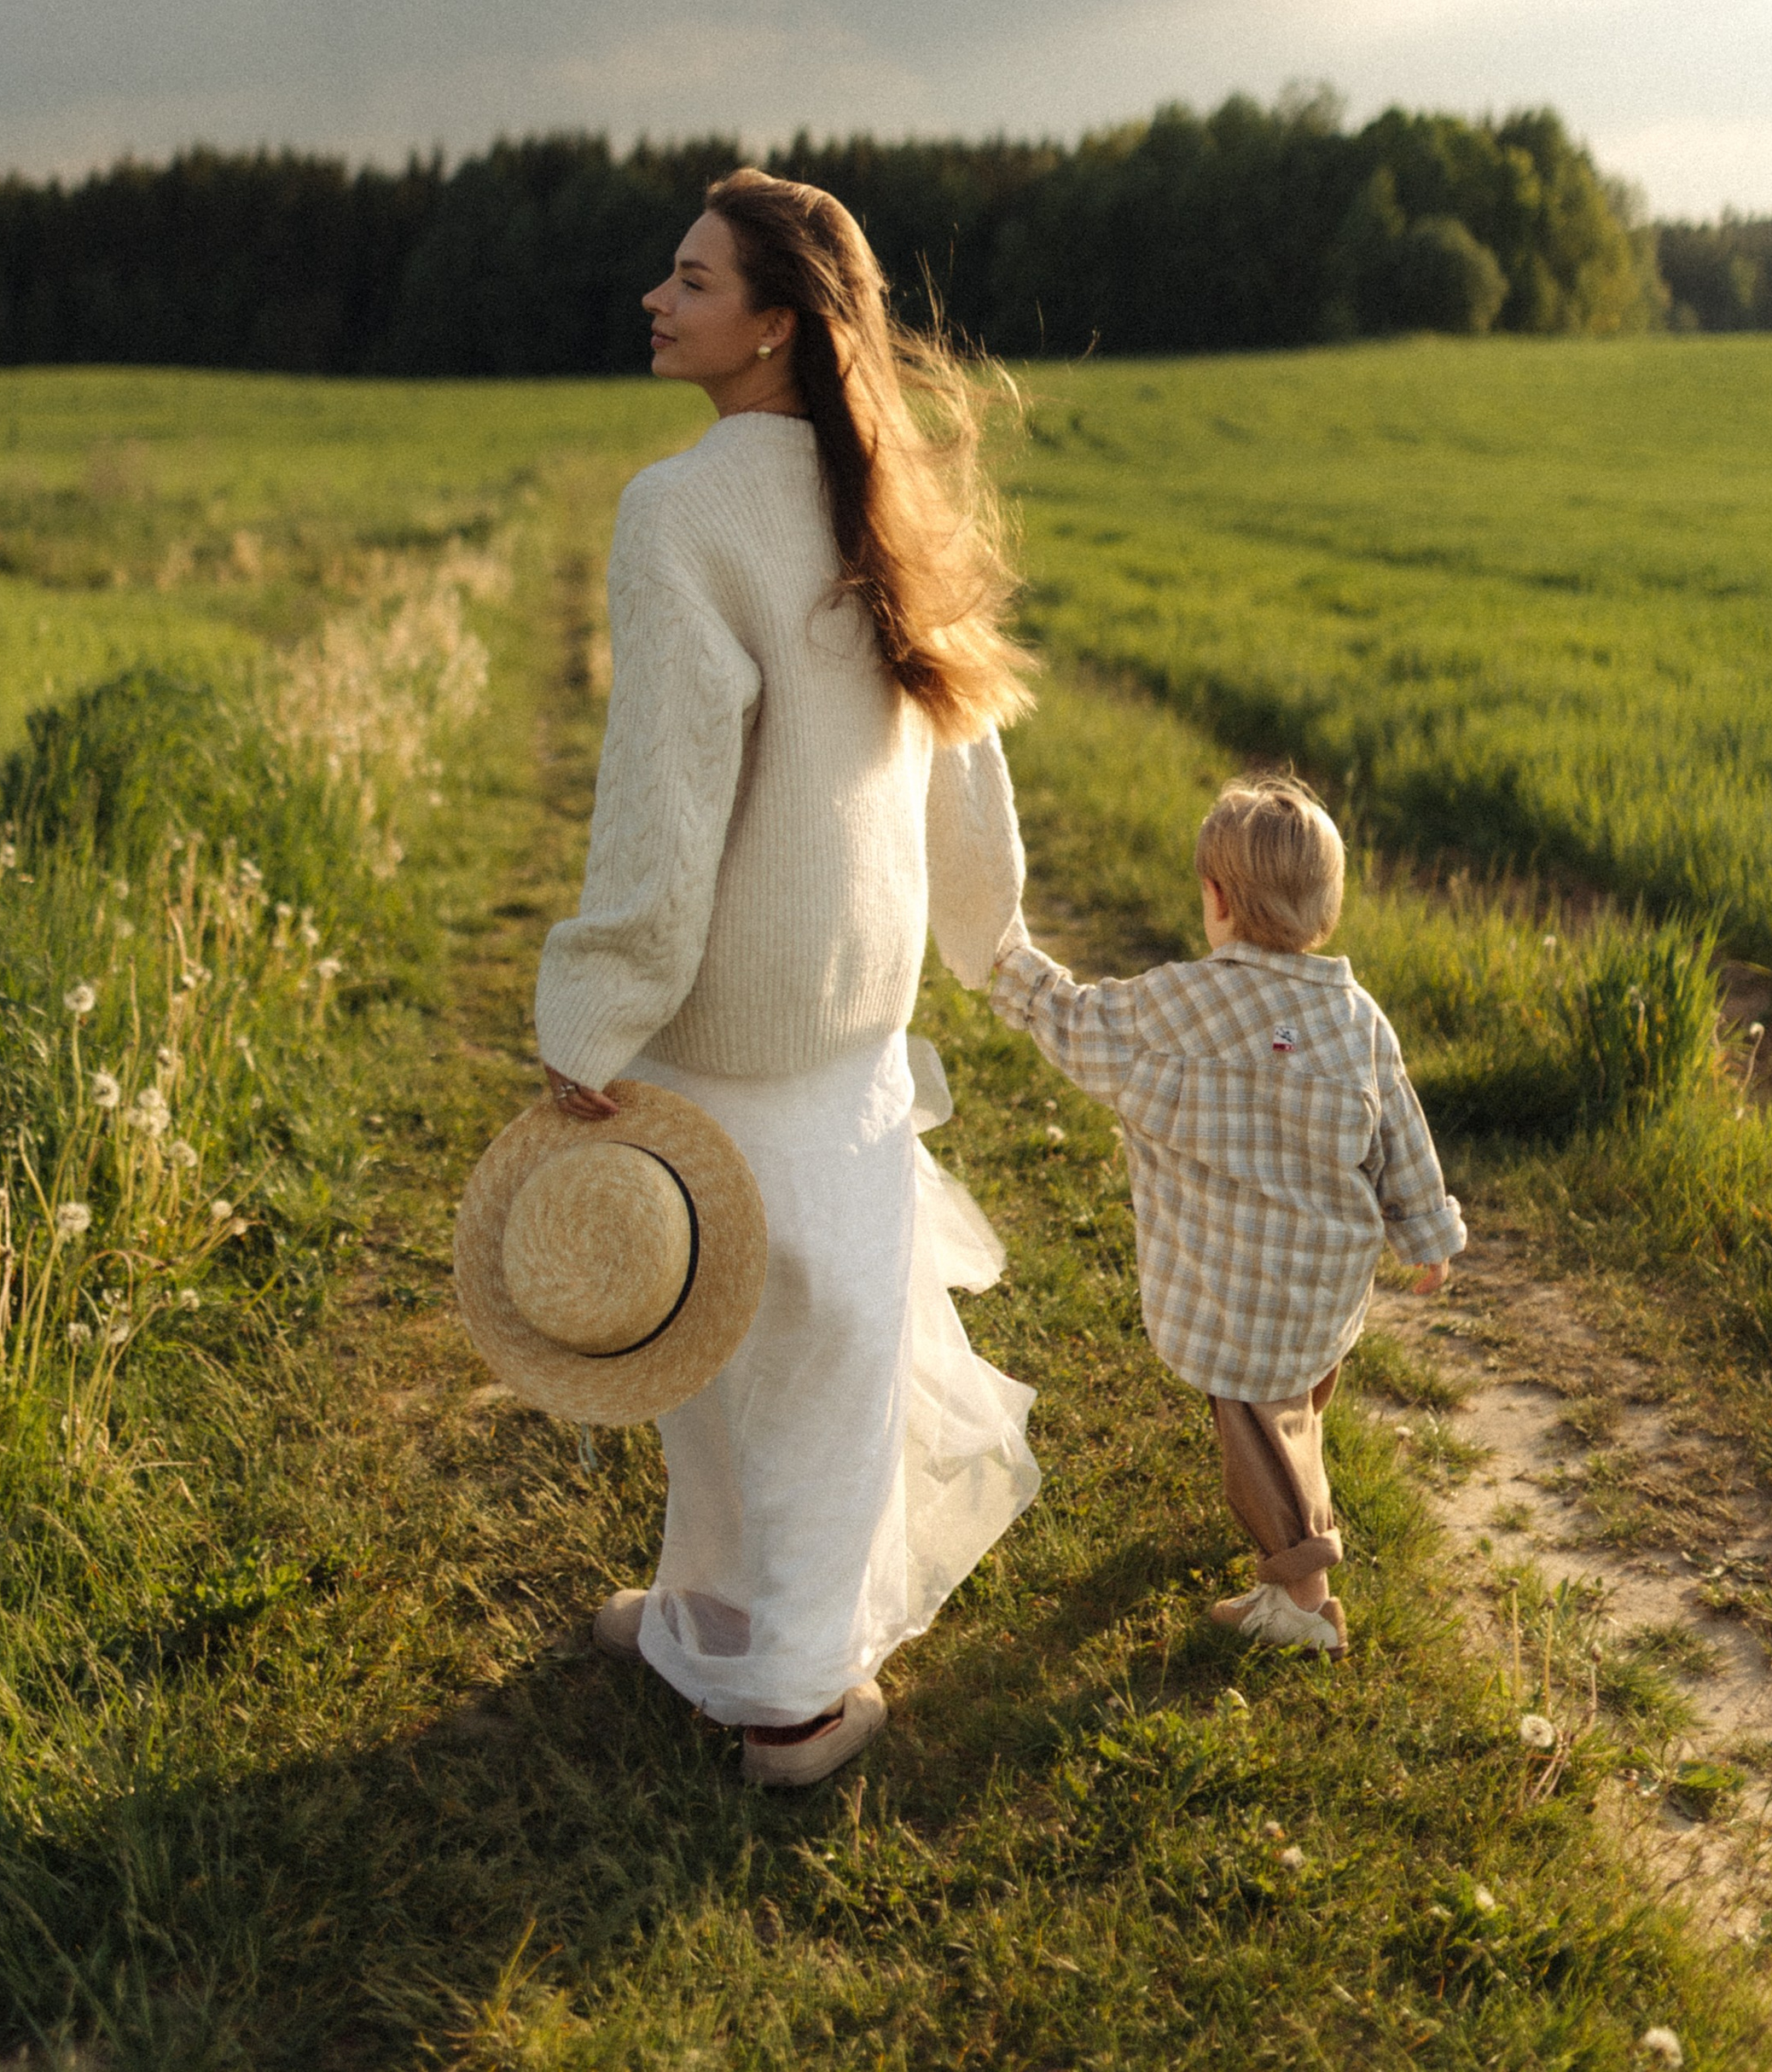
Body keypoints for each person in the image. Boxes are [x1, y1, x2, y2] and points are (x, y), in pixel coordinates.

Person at [534, 169, 1042, 1786]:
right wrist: (987, 931)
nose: (653, 300)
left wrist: (592, 1015)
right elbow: (965, 768)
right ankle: (723, 1617)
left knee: (758, 1357)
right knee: (773, 1353)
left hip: (734, 1029)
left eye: (690, 281)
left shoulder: (680, 509)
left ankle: (798, 1705)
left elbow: (662, 799)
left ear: (775, 324)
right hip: (847, 1019)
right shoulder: (876, 487)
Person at [983, 772, 1463, 1658]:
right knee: (1294, 1409)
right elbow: (1401, 1130)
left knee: (1260, 1436)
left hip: (1232, 1292)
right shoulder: (1356, 1019)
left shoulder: (1173, 1006)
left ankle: (1302, 1597)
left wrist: (1006, 963)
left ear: (1215, 899)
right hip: (1322, 1287)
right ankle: (1290, 1514)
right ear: (1326, 906)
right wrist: (1426, 1234)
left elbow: (1074, 1020)